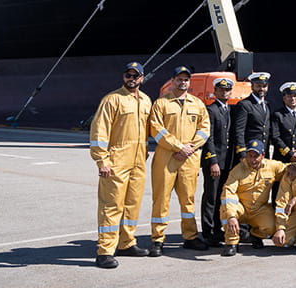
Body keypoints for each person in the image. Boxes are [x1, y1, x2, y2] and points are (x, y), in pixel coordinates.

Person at [90, 61, 152, 269]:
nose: (132, 79)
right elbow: (100, 132)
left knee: (132, 204)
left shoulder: (145, 101)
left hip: (138, 162)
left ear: (142, 78)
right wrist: (102, 160)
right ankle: (105, 250)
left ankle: (127, 243)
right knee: (111, 206)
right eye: (128, 75)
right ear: (124, 77)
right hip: (116, 162)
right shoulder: (112, 99)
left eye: (136, 75)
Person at [147, 66, 211, 256]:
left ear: (189, 82)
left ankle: (190, 236)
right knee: (161, 200)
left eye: (186, 80)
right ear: (172, 81)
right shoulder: (161, 104)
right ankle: (158, 240)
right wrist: (178, 147)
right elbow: (156, 130)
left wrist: (190, 147)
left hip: (189, 158)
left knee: (188, 200)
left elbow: (204, 129)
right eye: (179, 79)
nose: (182, 82)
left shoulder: (198, 104)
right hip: (166, 158)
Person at [219, 139, 287, 257]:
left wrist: (294, 168)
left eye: (256, 156)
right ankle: (231, 243)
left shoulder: (271, 166)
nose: (252, 159)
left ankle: (254, 235)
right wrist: (231, 216)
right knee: (226, 211)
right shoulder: (237, 170)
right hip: (241, 207)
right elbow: (228, 192)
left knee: (271, 227)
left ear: (263, 156)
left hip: (259, 209)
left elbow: (288, 168)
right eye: (249, 156)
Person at [201, 77, 236, 246]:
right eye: (221, 90)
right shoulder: (211, 110)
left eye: (227, 90)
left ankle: (217, 230)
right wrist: (213, 161)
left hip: (227, 162)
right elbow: (208, 139)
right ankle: (208, 232)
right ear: (215, 92)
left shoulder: (231, 110)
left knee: (222, 197)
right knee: (211, 197)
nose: (224, 93)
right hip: (214, 162)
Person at [232, 72, 271, 158]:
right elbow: (239, 131)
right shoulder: (244, 104)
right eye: (258, 86)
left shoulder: (267, 105)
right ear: (252, 86)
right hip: (250, 153)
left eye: (264, 86)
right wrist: (242, 152)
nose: (262, 89)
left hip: (263, 153)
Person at [271, 81, 296, 163]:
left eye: (295, 96)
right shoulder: (278, 115)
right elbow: (275, 137)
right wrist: (289, 153)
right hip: (283, 158)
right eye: (289, 96)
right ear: (284, 98)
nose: (293, 99)